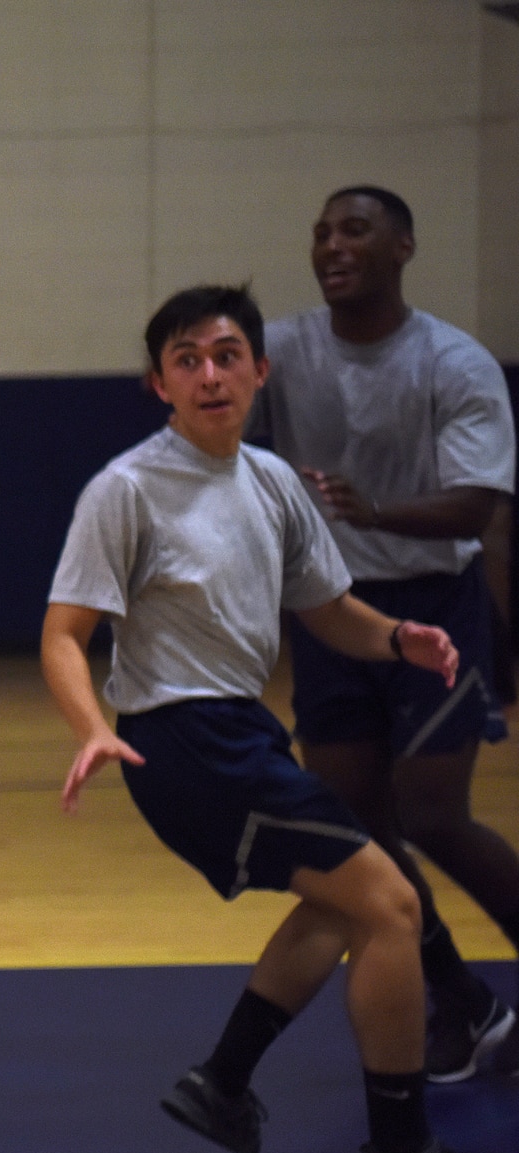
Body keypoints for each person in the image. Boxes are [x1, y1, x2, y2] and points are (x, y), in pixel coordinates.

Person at [42, 283, 519, 1153]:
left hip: (242, 734)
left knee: (347, 909)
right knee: (390, 899)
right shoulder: (127, 490)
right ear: (160, 384)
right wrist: (93, 725)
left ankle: (223, 1080)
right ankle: (400, 1151)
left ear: (260, 370)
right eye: (187, 359)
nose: (209, 373)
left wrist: (396, 638)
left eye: (226, 355)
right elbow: (63, 633)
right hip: (181, 740)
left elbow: (327, 608)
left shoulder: (270, 483)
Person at [252, 185, 519, 1083]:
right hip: (331, 613)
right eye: (321, 230)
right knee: (356, 826)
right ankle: (465, 1000)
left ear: (403, 245)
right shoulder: (281, 350)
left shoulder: (455, 361)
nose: (332, 243)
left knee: (432, 811)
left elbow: (479, 503)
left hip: (432, 606)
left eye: (354, 229)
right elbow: (211, 392)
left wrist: (378, 510)